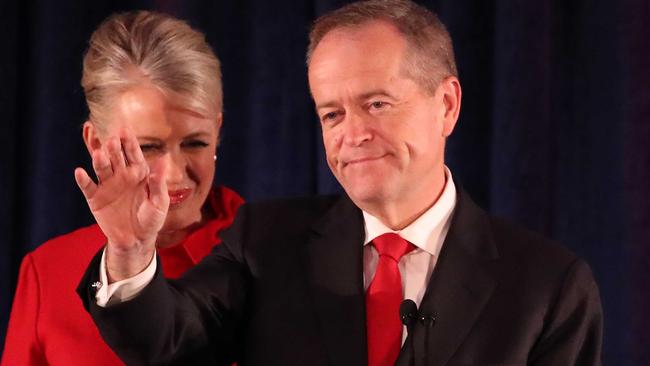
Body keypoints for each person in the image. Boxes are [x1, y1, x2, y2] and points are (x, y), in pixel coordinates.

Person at [77, 1, 603, 365]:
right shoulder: (265, 241)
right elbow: (169, 345)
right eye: (332, 114)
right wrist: (128, 250)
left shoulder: (548, 287)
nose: (352, 134)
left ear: (446, 104)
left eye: (376, 104)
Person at [1, 11, 243, 366]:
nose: (173, 175)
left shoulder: (266, 255)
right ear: (96, 143)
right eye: (147, 148)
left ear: (217, 130)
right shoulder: (48, 271)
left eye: (195, 144)